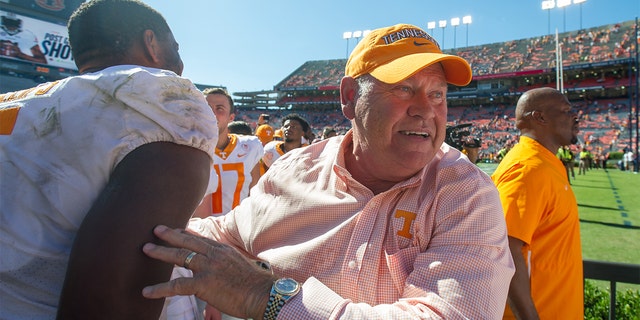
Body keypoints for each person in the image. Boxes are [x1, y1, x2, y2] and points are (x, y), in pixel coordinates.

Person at [141, 23, 514, 320]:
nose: (425, 109)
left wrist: (265, 297)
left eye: (438, 94)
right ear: (350, 98)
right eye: (403, 88)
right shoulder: (293, 171)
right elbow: (222, 234)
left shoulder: (465, 193)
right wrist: (138, 226)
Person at [0, 1, 218, 319]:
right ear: (151, 43)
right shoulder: (157, 97)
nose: (180, 63)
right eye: (176, 47)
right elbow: (112, 303)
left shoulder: (20, 103)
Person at [491, 87, 583, 319]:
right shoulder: (528, 169)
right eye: (566, 110)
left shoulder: (545, 162)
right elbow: (504, 250)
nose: (575, 116)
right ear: (540, 117)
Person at [192, 88, 263, 218]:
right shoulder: (188, 148)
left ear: (231, 118)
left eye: (219, 109)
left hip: (237, 229)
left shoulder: (249, 147)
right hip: (199, 229)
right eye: (207, 108)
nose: (212, 114)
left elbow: (255, 196)